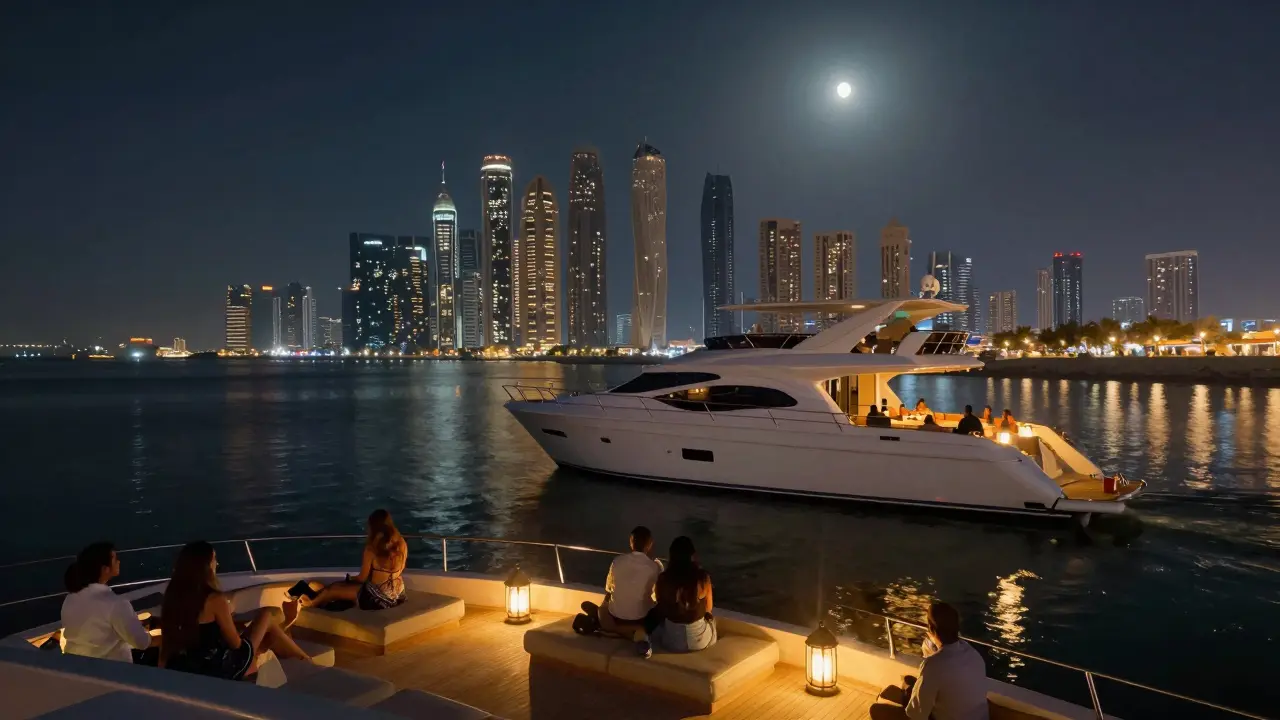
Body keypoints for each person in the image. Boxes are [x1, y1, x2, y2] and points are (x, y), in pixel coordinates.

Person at [160, 541, 311, 680]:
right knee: (266, 616)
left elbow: (167, 642)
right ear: (206, 565)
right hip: (217, 668)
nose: (216, 564)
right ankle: (306, 660)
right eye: (214, 559)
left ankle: (301, 657)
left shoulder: (172, 597)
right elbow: (235, 644)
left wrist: (161, 672)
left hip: (186, 665)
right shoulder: (215, 600)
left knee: (266, 628)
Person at [289, 509, 408, 615]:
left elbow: (362, 578)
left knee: (333, 589)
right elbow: (400, 569)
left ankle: (311, 604)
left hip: (377, 599)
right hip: (398, 596)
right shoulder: (401, 543)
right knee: (339, 587)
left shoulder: (371, 549)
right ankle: (320, 595)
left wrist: (350, 579)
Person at [60, 542, 152, 662]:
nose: (119, 562)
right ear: (105, 569)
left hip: (76, 667)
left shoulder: (70, 598)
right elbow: (142, 643)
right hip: (112, 674)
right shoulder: (116, 604)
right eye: (115, 559)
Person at [904, 602, 989, 720]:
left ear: (931, 629)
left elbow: (916, 714)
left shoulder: (934, 664)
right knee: (909, 684)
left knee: (878, 710)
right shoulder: (973, 654)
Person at [596, 527, 664, 653]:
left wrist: (606, 605)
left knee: (602, 609)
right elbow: (660, 597)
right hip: (640, 619)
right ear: (650, 544)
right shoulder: (655, 567)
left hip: (616, 616)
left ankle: (613, 628)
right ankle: (634, 633)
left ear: (630, 542)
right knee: (659, 610)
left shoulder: (617, 561)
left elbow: (608, 590)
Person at [649, 536, 716, 655]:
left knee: (656, 628)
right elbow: (708, 608)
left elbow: (660, 606)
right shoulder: (703, 578)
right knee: (711, 621)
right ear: (692, 555)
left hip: (671, 642)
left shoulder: (664, 579)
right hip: (701, 642)